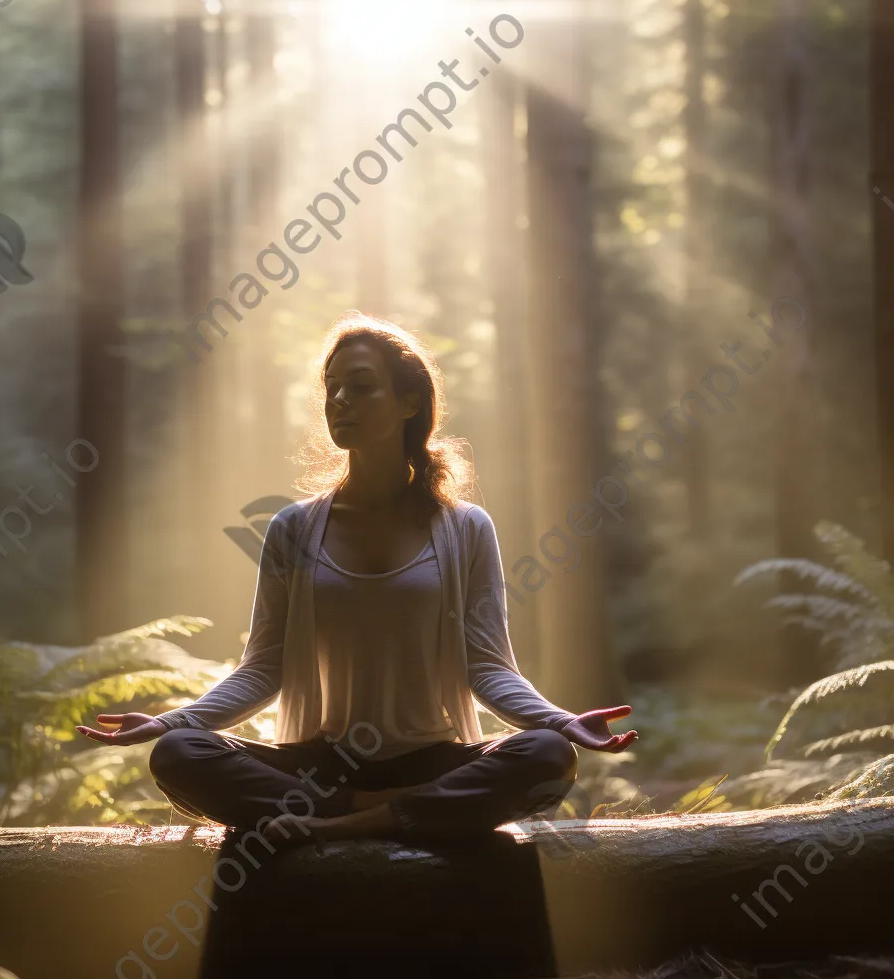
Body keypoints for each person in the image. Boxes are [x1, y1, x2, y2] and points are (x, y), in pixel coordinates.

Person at [77, 313, 638, 844]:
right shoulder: (292, 528)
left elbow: (487, 667)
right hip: (321, 765)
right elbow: (263, 668)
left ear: (409, 401)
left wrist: (561, 722)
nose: (339, 399)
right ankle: (383, 813)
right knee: (179, 754)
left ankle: (338, 825)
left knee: (546, 755)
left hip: (430, 758)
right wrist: (168, 722)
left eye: (362, 385)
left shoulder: (466, 528)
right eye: (332, 386)